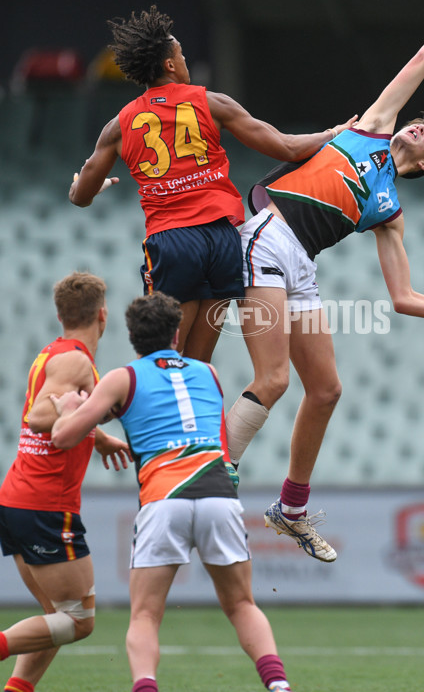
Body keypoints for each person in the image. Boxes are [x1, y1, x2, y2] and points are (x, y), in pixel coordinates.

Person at [224, 0, 424, 563]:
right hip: (267, 233)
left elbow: (403, 298)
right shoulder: (369, 129)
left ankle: (290, 510)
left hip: (301, 264)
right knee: (274, 380)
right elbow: (423, 59)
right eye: (415, 125)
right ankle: (215, 473)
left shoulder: (389, 209)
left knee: (328, 389)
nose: (415, 129)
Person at [68, 5, 356, 363]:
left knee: (164, 362)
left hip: (173, 242)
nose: (185, 59)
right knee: (198, 366)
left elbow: (80, 198)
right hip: (223, 241)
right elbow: (288, 148)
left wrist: (84, 185)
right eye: (181, 53)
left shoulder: (119, 125)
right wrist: (334, 133)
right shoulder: (212, 102)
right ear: (170, 65)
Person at [51, 291, 296, 692]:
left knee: (146, 615)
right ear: (177, 333)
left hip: (165, 498)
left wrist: (67, 409)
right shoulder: (207, 374)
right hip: (218, 492)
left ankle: (146, 687)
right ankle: (279, 685)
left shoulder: (123, 377)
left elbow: (63, 437)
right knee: (241, 605)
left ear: (131, 335)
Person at [0, 272, 131, 692]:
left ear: (60, 315)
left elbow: (64, 414)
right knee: (78, 621)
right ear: (103, 317)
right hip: (44, 505)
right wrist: (80, 416)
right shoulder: (76, 360)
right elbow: (40, 417)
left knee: (53, 617)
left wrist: (99, 435)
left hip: (21, 498)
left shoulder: (53, 354)